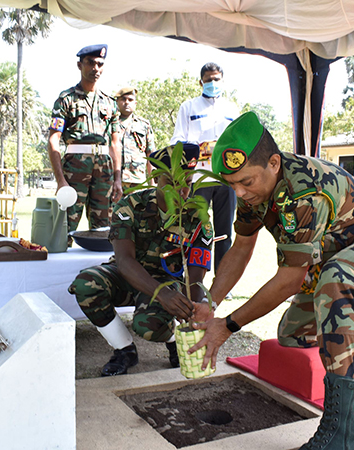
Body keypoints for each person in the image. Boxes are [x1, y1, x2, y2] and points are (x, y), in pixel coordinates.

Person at [190, 111, 354, 449]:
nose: (239, 192)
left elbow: (289, 280)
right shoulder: (255, 190)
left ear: (273, 163)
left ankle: (340, 433)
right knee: (293, 333)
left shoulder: (304, 190)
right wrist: (211, 302)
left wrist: (229, 325)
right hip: (334, 253)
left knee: (337, 278)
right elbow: (240, 248)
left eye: (246, 182)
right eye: (232, 184)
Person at [68, 143, 214, 376]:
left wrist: (192, 311)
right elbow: (124, 261)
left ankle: (174, 340)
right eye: (172, 183)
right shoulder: (131, 206)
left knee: (150, 326)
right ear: (156, 179)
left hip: (167, 280)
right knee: (86, 283)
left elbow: (196, 274)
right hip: (128, 275)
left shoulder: (198, 216)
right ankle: (124, 350)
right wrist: (162, 295)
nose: (181, 191)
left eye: (187, 183)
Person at [170, 62, 239, 274]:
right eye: (208, 80)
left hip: (226, 178)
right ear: (201, 82)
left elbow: (238, 141)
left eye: (216, 79)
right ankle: (193, 278)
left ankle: (222, 280)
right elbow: (177, 140)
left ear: (223, 81)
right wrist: (197, 149)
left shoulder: (232, 109)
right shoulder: (189, 107)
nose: (213, 83)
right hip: (198, 179)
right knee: (195, 230)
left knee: (224, 233)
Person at [47, 44, 123, 233]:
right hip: (74, 168)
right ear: (79, 65)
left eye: (100, 64)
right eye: (90, 63)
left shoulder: (110, 103)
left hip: (104, 168)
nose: (95, 68)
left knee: (103, 229)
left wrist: (118, 179)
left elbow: (115, 144)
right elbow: (53, 140)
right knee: (65, 225)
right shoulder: (66, 99)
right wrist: (60, 180)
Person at [114, 86, 155, 190]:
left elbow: (151, 155)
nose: (127, 102)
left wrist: (152, 183)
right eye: (123, 99)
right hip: (113, 180)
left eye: (130, 100)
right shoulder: (109, 123)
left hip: (137, 181)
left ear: (135, 103)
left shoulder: (144, 125)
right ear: (117, 102)